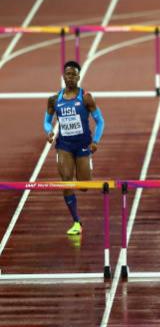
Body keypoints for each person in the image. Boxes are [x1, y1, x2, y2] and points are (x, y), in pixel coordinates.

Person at [44, 60, 105, 236]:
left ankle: (87, 165)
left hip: (83, 145)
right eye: (67, 74)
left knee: (84, 185)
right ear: (63, 76)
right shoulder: (54, 99)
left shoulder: (86, 98)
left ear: (79, 77)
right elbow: (47, 122)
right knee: (66, 181)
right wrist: (49, 132)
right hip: (64, 146)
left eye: (73, 75)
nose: (70, 78)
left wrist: (96, 141)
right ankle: (76, 221)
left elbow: (100, 121)